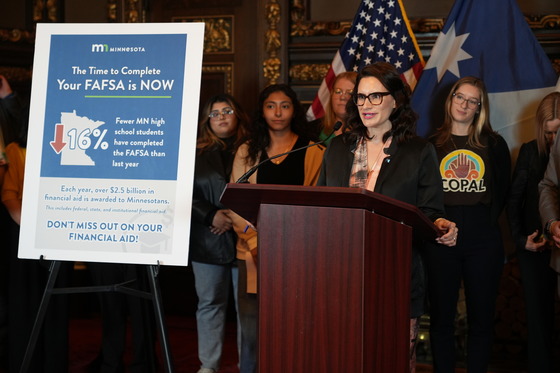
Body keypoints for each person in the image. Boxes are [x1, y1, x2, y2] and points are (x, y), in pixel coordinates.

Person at [316, 62, 458, 373]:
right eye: (361, 97)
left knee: (390, 359)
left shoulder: (418, 151)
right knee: (343, 357)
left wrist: (442, 226)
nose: (366, 105)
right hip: (339, 274)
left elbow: (432, 212)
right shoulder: (338, 147)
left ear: (396, 99)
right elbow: (320, 205)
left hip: (395, 274)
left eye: (376, 97)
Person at [229, 84, 325, 373]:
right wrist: (256, 243)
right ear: (262, 110)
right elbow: (235, 202)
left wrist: (292, 244)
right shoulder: (248, 150)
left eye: (284, 105)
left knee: (294, 326)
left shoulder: (313, 151)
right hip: (252, 254)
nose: (278, 112)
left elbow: (318, 204)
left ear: (294, 110)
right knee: (252, 330)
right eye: (271, 105)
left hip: (298, 256)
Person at [427, 76, 511, 373]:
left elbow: (506, 192)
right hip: (441, 234)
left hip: (482, 235)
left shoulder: (494, 144)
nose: (464, 104)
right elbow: (422, 195)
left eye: (472, 100)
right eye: (459, 97)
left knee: (481, 318)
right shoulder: (430, 145)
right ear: (449, 101)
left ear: (480, 107)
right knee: (441, 319)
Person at [2, 108, 72, 372]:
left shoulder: (67, 149)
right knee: (25, 301)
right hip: (25, 234)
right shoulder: (16, 149)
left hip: (59, 235)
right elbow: (9, 196)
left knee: (57, 304)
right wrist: (33, 227)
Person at [190, 93, 249, 373]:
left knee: (245, 308)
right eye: (215, 113)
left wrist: (233, 217)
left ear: (237, 115)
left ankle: (246, 364)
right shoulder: (194, 153)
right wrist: (210, 214)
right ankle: (208, 366)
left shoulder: (253, 147)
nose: (222, 117)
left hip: (246, 237)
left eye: (227, 111)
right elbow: (180, 194)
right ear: (206, 121)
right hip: (207, 239)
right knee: (210, 303)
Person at [508, 91, 560, 373]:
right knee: (538, 322)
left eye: (559, 132)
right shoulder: (529, 151)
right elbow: (513, 202)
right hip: (536, 249)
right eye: (549, 133)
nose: (554, 140)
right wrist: (520, 241)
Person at [311, 72, 357, 144]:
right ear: (331, 95)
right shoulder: (311, 130)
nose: (343, 97)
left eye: (350, 93)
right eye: (338, 91)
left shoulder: (369, 133)